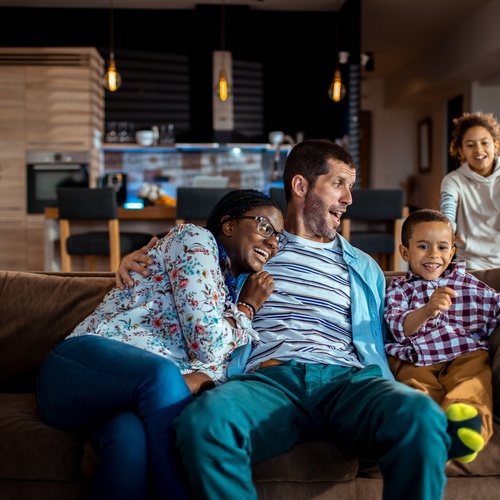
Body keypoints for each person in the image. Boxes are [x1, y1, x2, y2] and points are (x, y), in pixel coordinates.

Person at [118, 139, 487, 500]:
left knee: (420, 415)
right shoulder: (252, 249)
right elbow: (187, 264)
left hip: (348, 381)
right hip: (270, 380)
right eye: (339, 184)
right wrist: (137, 261)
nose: (349, 199)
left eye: (351, 187)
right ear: (300, 186)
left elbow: (406, 316)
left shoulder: (365, 267)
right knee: (203, 424)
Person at [36, 188, 286, 500]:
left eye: (278, 237)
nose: (272, 242)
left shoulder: (228, 294)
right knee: (161, 375)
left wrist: (206, 371)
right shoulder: (195, 239)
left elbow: (220, 366)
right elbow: (207, 344)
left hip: (124, 401)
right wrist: (247, 309)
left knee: (130, 441)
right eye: (265, 227)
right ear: (229, 225)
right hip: (76, 371)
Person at [385, 208, 500, 464]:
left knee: (474, 381)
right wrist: (427, 310)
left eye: (442, 247)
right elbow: (398, 327)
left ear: (452, 252)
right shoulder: (399, 288)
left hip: (464, 352)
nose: (433, 255)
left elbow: (497, 305)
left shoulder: (467, 283)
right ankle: (427, 428)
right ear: (405, 252)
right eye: (423, 246)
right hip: (416, 356)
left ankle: (465, 425)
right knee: (416, 386)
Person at [440, 111, 500, 270]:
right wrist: (448, 232)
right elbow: (447, 214)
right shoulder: (453, 180)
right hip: (470, 264)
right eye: (470, 145)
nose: (478, 150)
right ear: (461, 151)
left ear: (496, 145)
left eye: (484, 143)